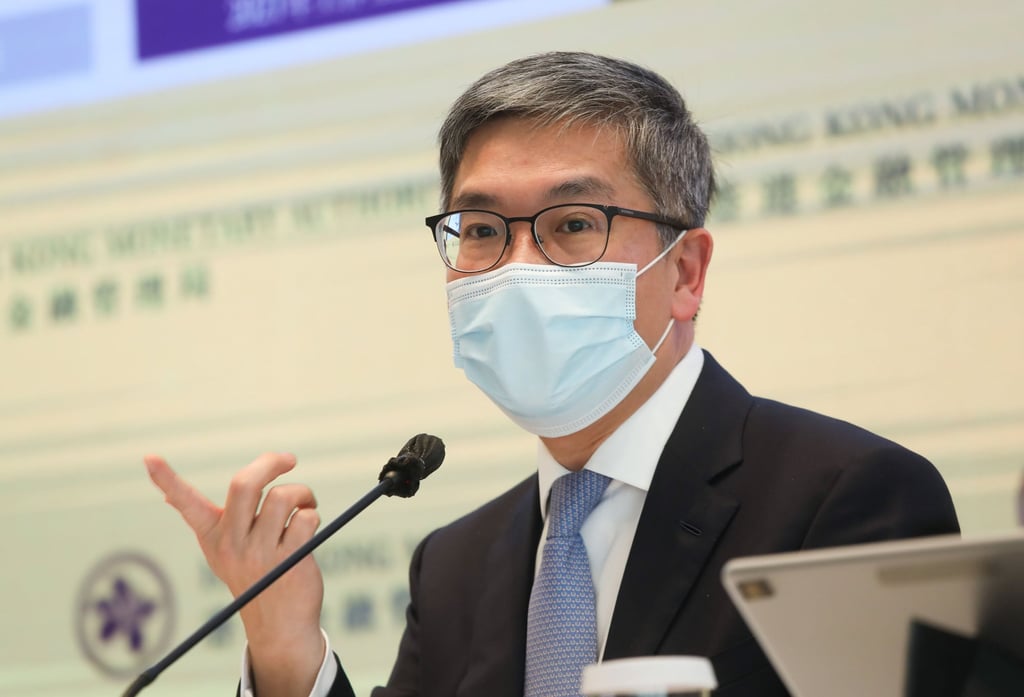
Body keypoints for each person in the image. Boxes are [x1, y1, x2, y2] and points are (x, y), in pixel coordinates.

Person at [145, 52, 960, 697]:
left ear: (687, 274)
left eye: (573, 223)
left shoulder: (842, 499)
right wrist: (283, 643)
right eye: (484, 228)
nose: (518, 266)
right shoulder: (455, 562)